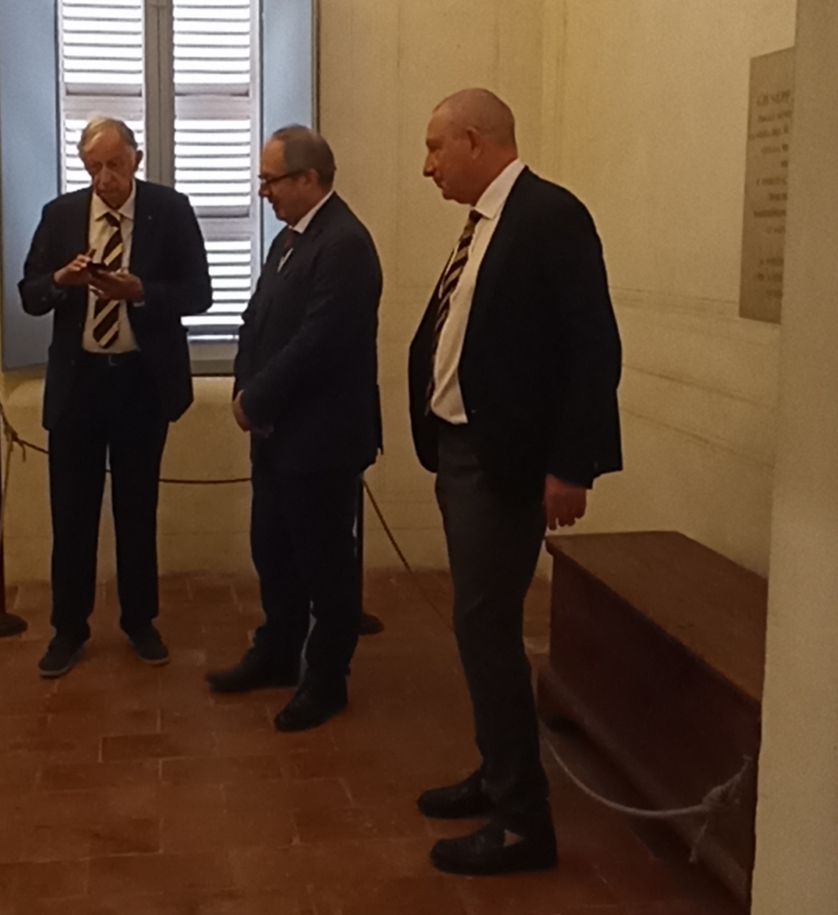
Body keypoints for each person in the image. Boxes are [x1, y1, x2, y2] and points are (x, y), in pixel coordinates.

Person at [408, 88, 621, 875]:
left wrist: (571, 466)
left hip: (506, 464)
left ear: (474, 140)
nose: (427, 166)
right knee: (479, 628)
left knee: (486, 630)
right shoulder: (485, 223)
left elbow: (592, 350)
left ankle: (524, 822)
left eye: (435, 147)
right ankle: (498, 770)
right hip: (463, 453)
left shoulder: (549, 216)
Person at [20, 117, 211, 675]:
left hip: (140, 383)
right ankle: (68, 630)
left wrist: (141, 291)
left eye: (114, 165)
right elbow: (30, 294)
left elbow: (200, 294)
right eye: (93, 167)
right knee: (71, 516)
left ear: (136, 159)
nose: (104, 178)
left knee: (136, 510)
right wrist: (62, 280)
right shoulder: (60, 215)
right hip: (77, 384)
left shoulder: (170, 211)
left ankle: (140, 621)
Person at [208, 125, 382, 731]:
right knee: (273, 550)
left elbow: (320, 343)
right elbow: (255, 320)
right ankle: (278, 653)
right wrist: (244, 387)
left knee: (325, 565)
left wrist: (255, 399)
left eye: (271, 180)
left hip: (321, 440)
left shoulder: (344, 244)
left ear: (309, 179)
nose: (263, 192)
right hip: (277, 434)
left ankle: (327, 679)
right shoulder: (290, 239)